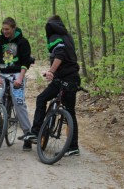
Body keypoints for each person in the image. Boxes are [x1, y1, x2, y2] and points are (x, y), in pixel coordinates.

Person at [24, 15, 81, 156]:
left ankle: (35, 132)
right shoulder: (68, 36)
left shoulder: (54, 36)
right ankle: (73, 147)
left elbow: (60, 54)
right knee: (70, 112)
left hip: (61, 78)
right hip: (73, 77)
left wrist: (51, 71)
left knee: (41, 99)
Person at [0, 17, 33, 151]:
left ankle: (27, 134)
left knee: (18, 102)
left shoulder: (23, 42)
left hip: (17, 74)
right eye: (3, 29)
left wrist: (20, 79)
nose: (5, 31)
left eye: (7, 29)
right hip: (0, 73)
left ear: (13, 28)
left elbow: (25, 62)